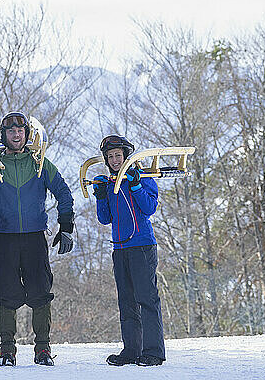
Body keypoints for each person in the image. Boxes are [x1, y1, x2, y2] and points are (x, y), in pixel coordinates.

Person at [0, 112, 74, 367]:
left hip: (35, 238)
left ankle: (43, 350)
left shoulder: (40, 163)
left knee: (41, 293)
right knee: (7, 294)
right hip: (5, 238)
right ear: (4, 135)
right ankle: (7, 349)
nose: (16, 134)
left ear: (26, 134)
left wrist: (66, 226)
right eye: (11, 131)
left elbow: (64, 193)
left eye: (20, 131)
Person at [92, 135, 165, 367]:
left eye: (118, 155)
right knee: (127, 301)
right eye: (111, 157)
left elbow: (149, 207)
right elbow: (105, 219)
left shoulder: (142, 177)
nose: (115, 160)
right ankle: (132, 350)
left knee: (147, 299)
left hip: (142, 245)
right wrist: (101, 196)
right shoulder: (111, 182)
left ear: (126, 155)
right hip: (119, 248)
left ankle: (153, 351)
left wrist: (135, 186)